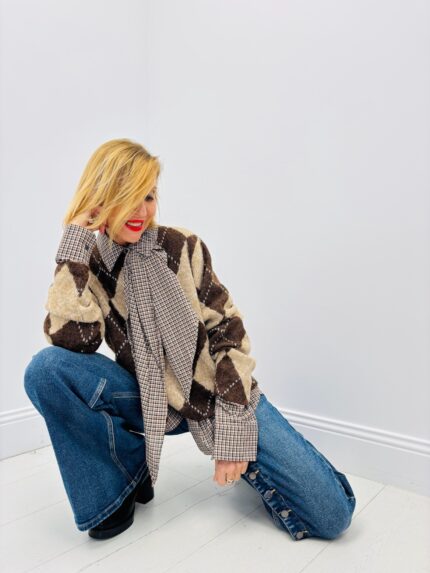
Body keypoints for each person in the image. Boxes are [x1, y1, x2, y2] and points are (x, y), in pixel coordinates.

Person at [24, 138, 356, 541]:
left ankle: (268, 457)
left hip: (218, 393)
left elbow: (228, 332)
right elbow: (74, 340)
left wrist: (233, 429)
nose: (142, 211)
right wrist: (73, 246)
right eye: (128, 197)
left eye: (149, 196)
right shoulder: (89, 267)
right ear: (101, 197)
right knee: (45, 370)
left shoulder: (181, 246)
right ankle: (122, 480)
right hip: (149, 399)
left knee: (332, 516)